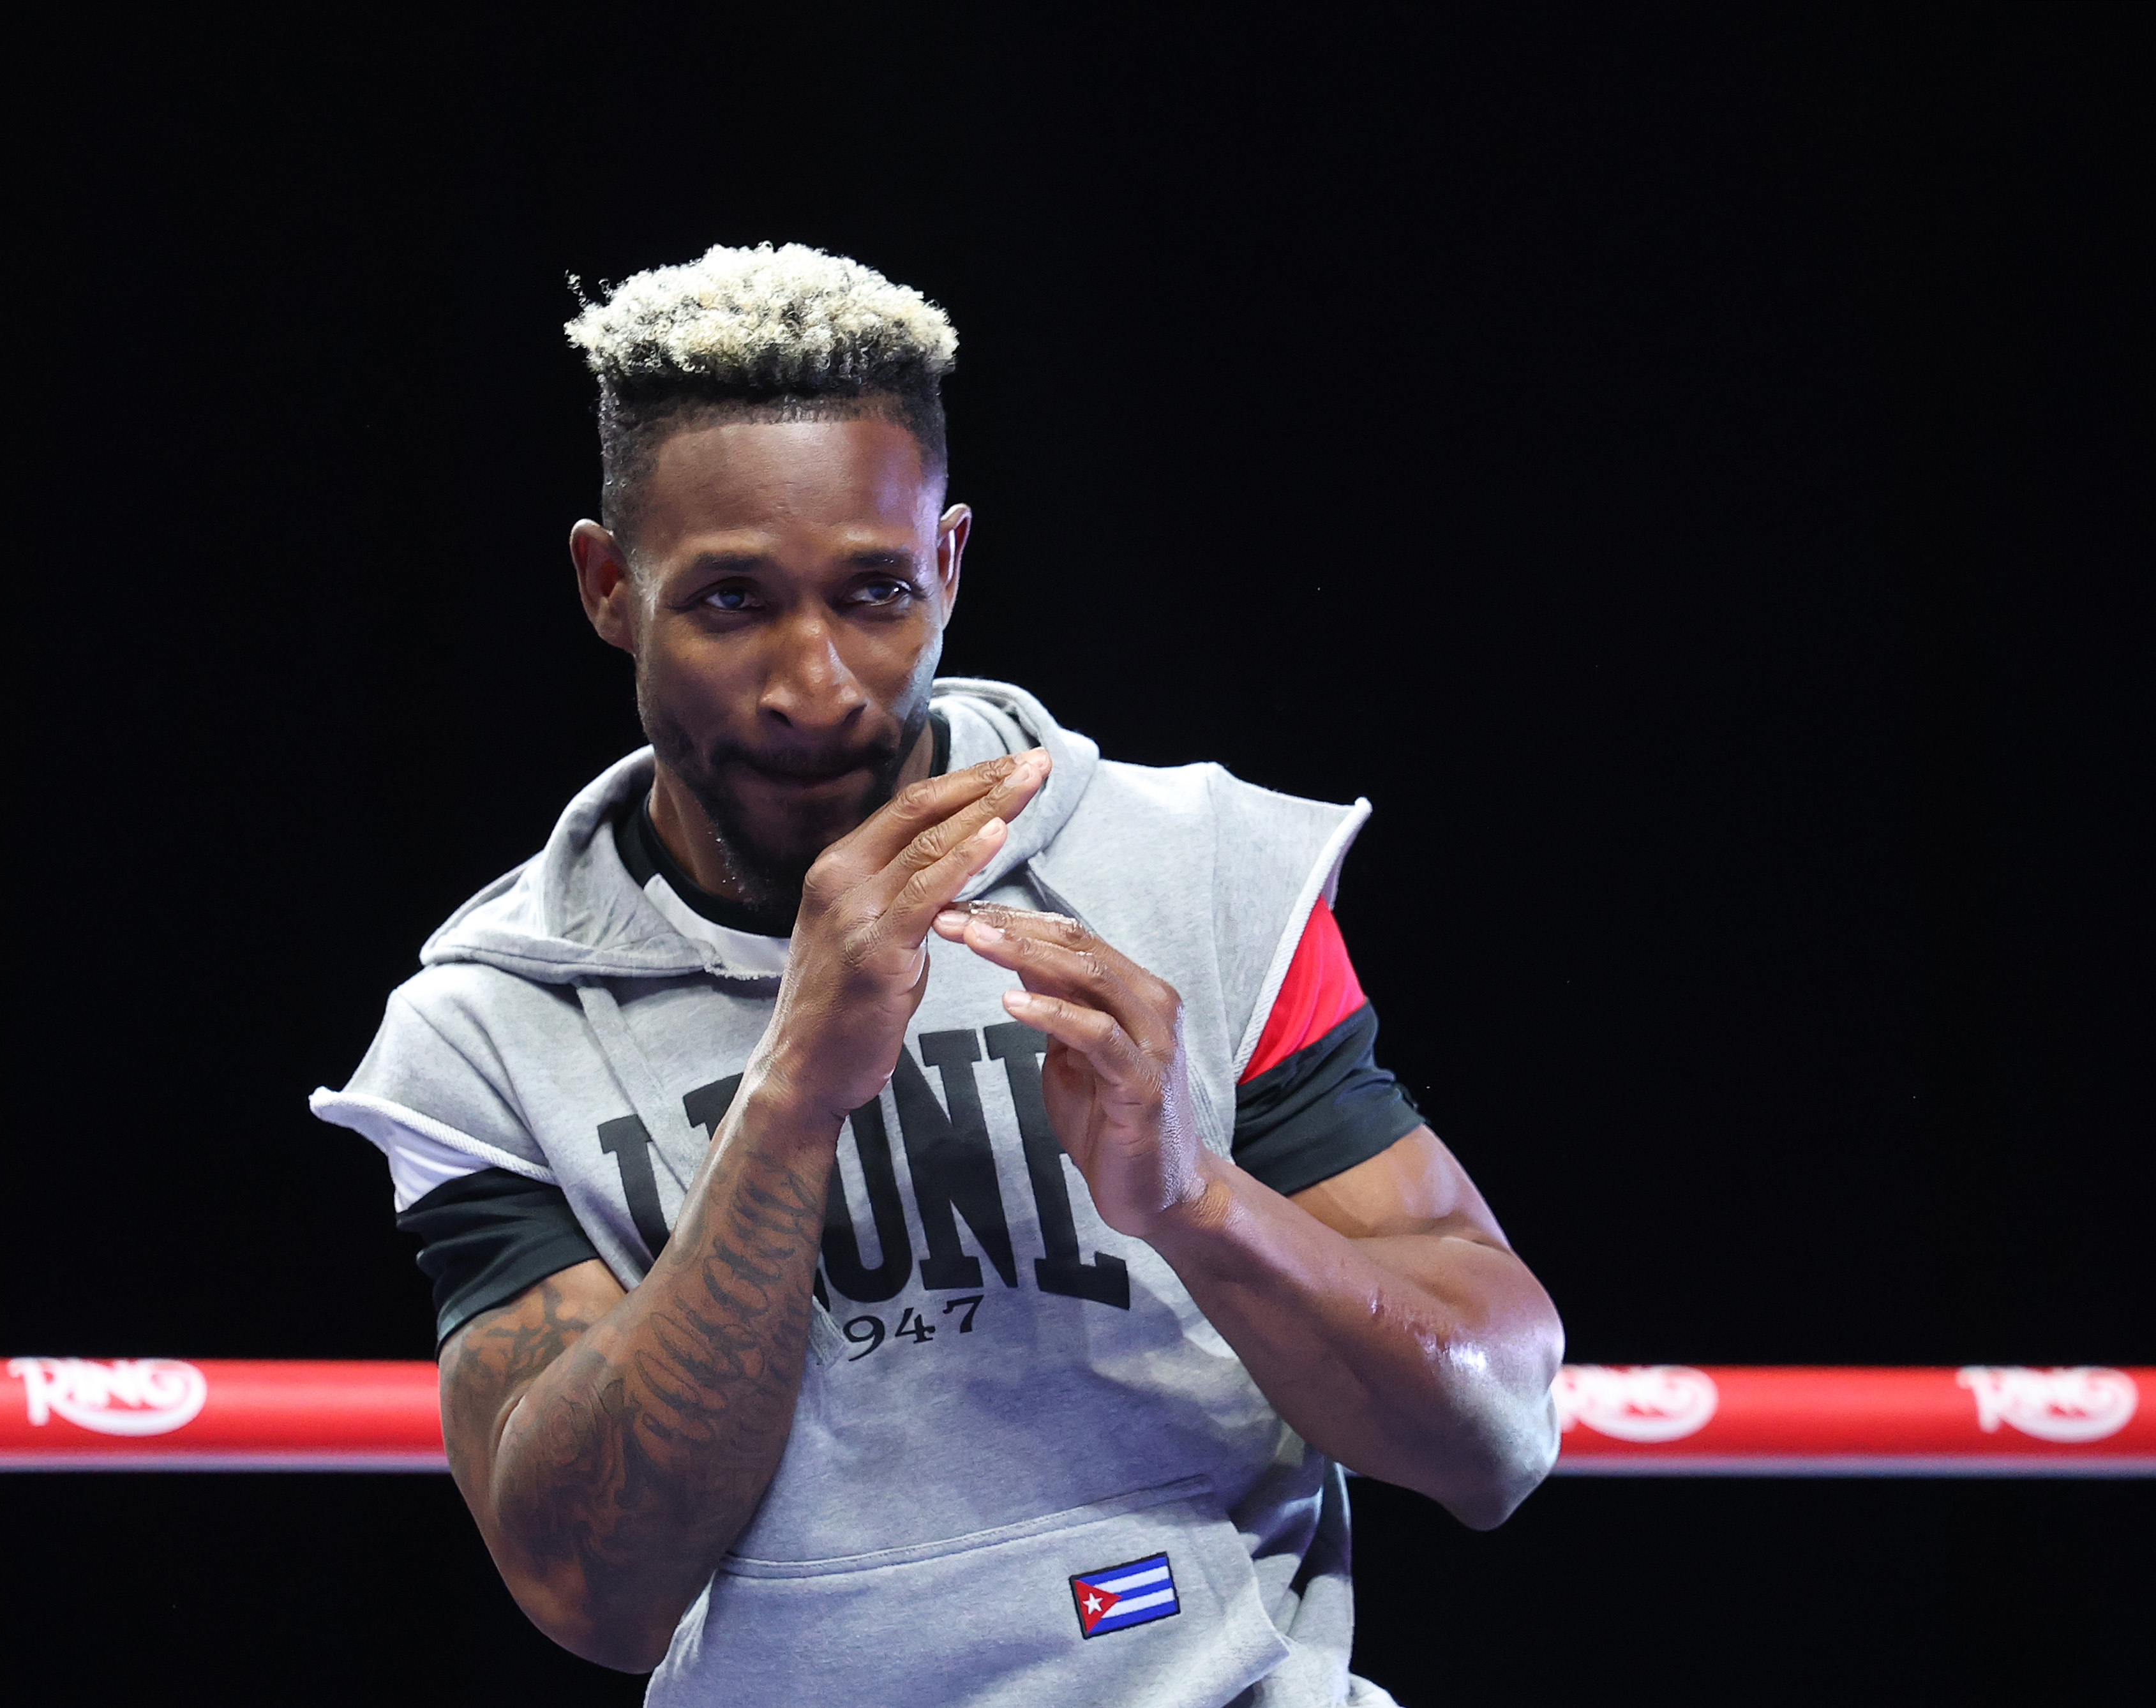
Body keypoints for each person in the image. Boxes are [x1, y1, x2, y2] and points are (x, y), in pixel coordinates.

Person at [312, 243, 1562, 1707]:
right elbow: (595, 1587)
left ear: (951, 567)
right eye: (729, 603)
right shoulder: (487, 1030)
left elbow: (1498, 1436)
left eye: (875, 593)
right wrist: (788, 1102)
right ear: (607, 587)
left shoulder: (1195, 875)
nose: (816, 682)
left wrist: (1194, 1201)